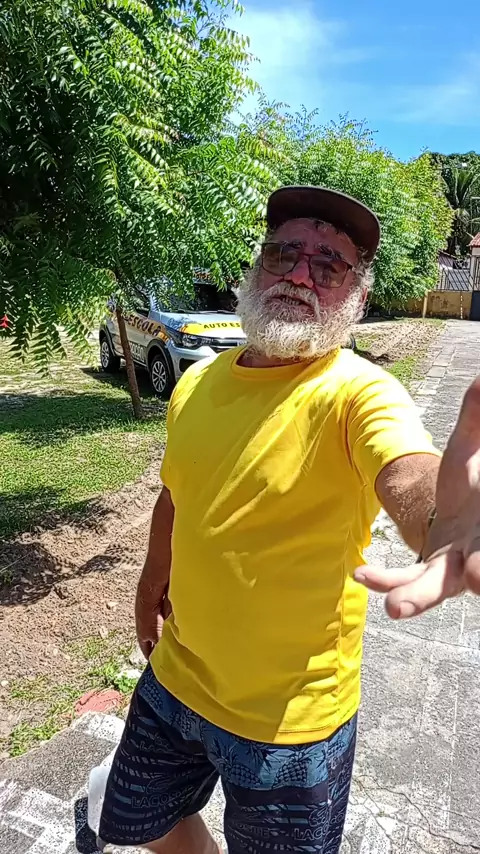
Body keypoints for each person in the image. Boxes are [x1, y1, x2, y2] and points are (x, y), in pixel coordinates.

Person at [98, 186, 480, 854]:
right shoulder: (199, 382)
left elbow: (410, 473)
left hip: (290, 728)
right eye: (285, 253)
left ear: (358, 297)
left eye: (329, 265)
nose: (301, 275)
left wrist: (448, 522)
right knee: (142, 823)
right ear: (257, 267)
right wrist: (151, 580)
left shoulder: (359, 392)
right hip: (175, 680)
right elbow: (178, 492)